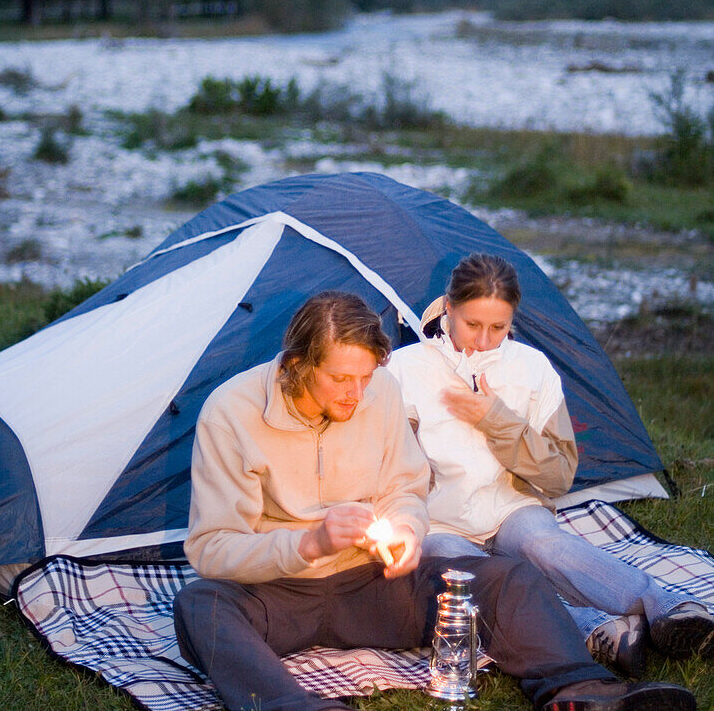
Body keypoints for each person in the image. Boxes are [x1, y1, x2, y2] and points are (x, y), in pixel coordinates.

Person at [173, 289, 694, 711]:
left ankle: (579, 690)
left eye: (364, 377)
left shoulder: (379, 392)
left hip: (372, 582)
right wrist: (309, 542)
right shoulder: (232, 413)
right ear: (295, 364)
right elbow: (213, 550)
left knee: (502, 577)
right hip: (277, 591)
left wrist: (403, 529)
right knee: (202, 605)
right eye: (340, 379)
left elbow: (406, 486)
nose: (356, 394)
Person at [388, 253, 714, 680]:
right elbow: (394, 470)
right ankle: (602, 630)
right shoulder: (405, 370)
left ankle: (670, 610)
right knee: (480, 574)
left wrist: (496, 420)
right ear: (448, 308)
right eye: (473, 325)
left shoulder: (532, 368)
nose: (484, 341)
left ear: (512, 320)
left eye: (499, 328)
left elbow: (558, 475)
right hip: (438, 523)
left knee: (545, 546)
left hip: (512, 507)